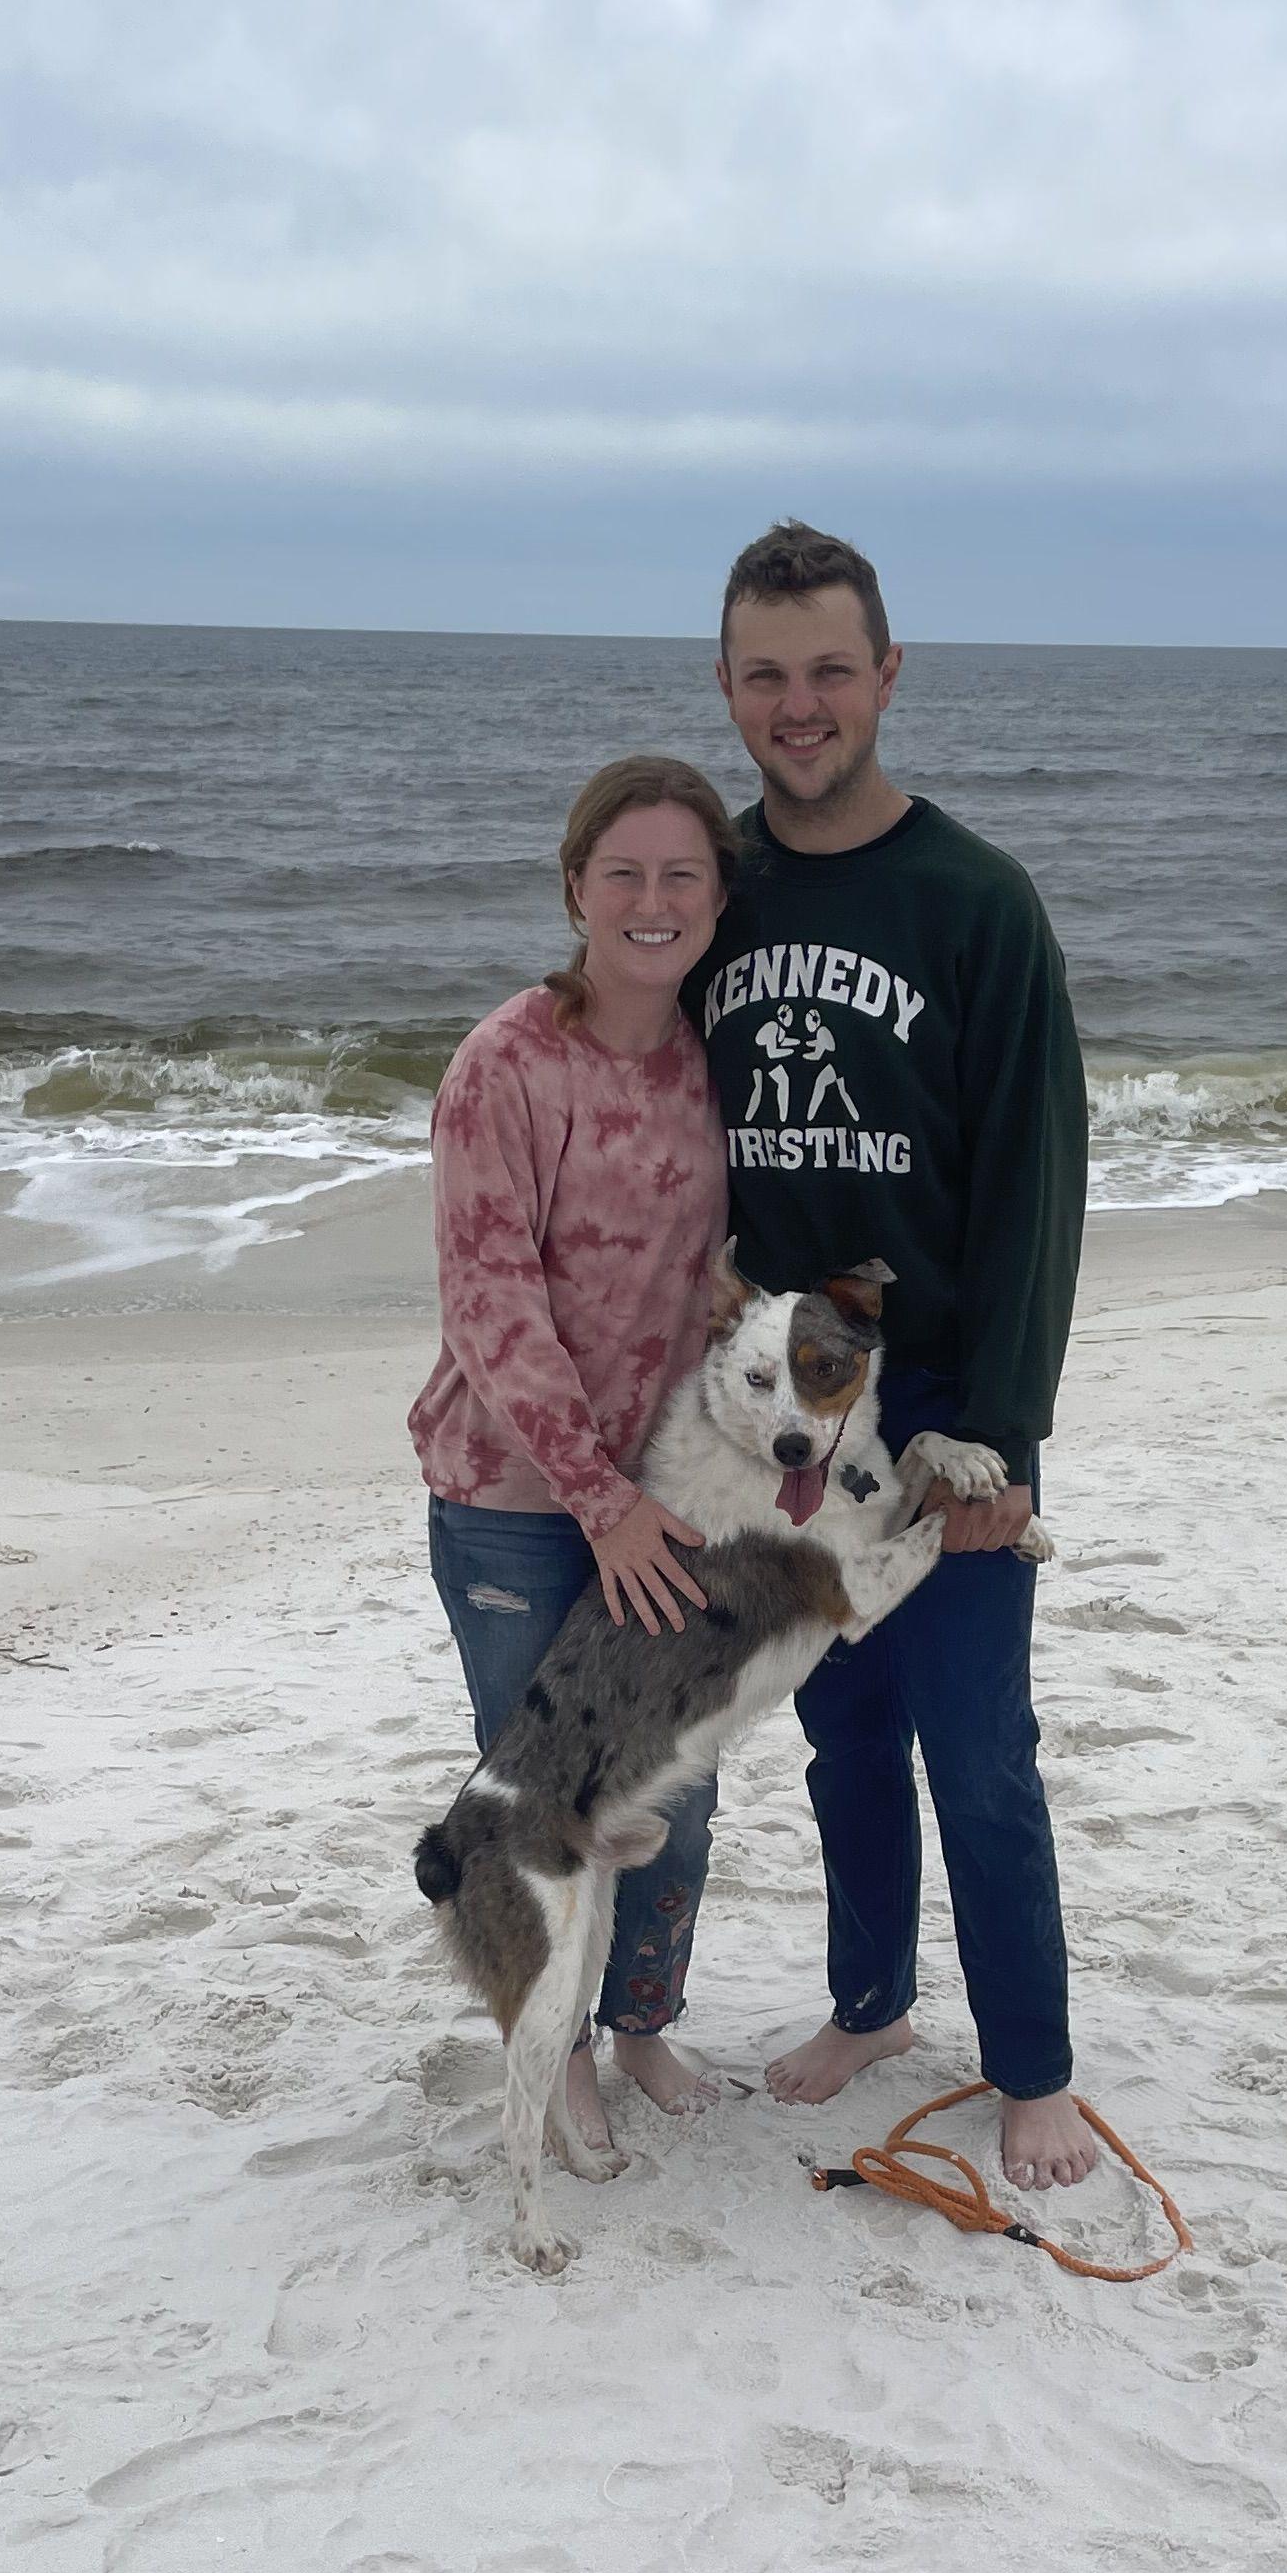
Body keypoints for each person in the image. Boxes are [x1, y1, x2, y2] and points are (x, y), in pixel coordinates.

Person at [689, 519, 1104, 2192]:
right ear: (727, 686)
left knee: (977, 1747)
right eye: (768, 675)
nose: (801, 707)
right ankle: (869, 2004)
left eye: (831, 671)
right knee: (839, 1737)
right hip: (775, 1413)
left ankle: (1034, 2064)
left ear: (888, 676)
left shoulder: (977, 904)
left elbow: (1038, 1184)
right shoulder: (707, 888)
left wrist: (998, 1431)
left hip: (933, 1414)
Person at [409, 752, 738, 2156]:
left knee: (677, 1794)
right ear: (574, 890)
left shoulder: (720, 1062)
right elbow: (491, 1304)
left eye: (683, 876)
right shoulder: (507, 1065)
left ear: (718, 898)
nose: (653, 902)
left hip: (671, 1505)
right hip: (514, 1503)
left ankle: (643, 2025)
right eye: (625, 874)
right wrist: (597, 1504)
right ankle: (557, 2052)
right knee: (549, 1812)